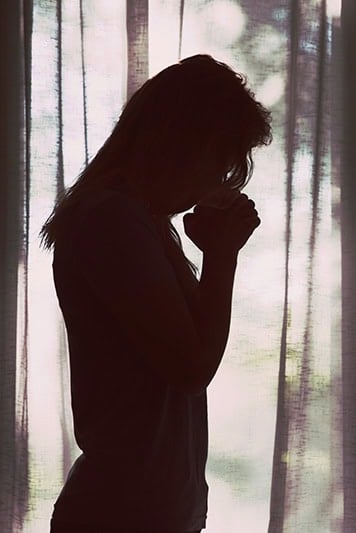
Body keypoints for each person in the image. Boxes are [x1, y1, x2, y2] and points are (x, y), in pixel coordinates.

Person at [39, 54, 272, 533]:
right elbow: (191, 368)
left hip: (142, 513)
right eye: (220, 161)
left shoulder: (139, 222)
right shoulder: (111, 220)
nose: (218, 181)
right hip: (124, 516)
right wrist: (222, 254)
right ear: (183, 140)